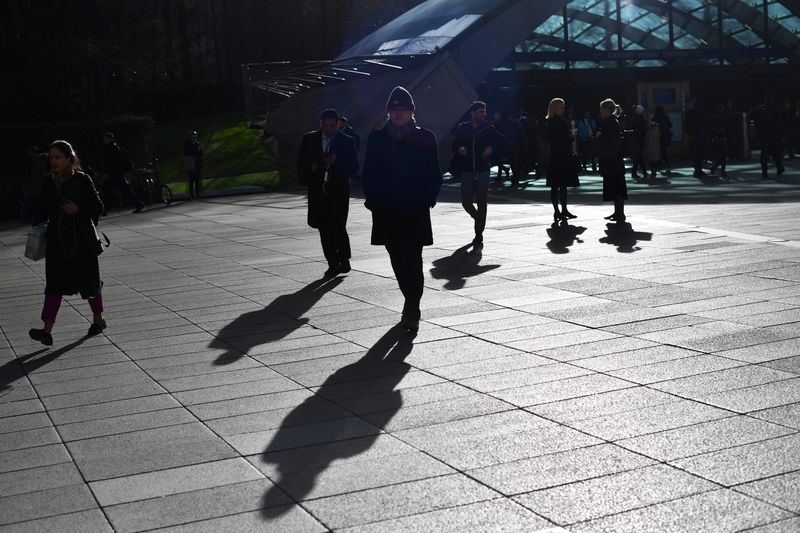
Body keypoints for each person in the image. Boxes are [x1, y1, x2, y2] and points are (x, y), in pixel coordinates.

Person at [361, 86, 442, 332]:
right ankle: (410, 300)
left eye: (403, 110)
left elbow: (434, 173)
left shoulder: (425, 137)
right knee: (396, 258)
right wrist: (372, 201)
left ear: (411, 112)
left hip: (414, 209)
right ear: (388, 112)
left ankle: (412, 308)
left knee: (413, 259)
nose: (399, 114)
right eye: (394, 110)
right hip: (386, 210)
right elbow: (369, 173)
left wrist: (427, 199)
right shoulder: (377, 138)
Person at [28, 140, 106, 346]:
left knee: (90, 284)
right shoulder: (48, 181)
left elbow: (99, 206)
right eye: (51, 157)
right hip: (57, 243)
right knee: (54, 286)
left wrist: (78, 208)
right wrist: (35, 231)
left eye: (58, 157)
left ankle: (98, 320)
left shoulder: (82, 179)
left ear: (69, 158)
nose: (53, 161)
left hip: (81, 242)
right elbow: (42, 209)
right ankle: (47, 330)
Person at [297, 108, 359, 277]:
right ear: (321, 124)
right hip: (318, 189)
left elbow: (354, 167)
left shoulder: (347, 141)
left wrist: (337, 161)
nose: (330, 129)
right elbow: (301, 162)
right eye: (326, 126)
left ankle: (344, 259)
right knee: (323, 227)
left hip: (338, 189)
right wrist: (313, 165)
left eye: (333, 126)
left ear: (338, 124)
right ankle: (332, 262)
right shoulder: (310, 139)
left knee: (339, 225)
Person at [450, 101, 505, 245]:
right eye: (480, 112)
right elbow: (453, 143)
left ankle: (478, 233)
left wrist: (492, 149)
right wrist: (459, 148)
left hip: (483, 171)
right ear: (472, 113)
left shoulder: (488, 128)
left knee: (482, 203)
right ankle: (478, 219)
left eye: (484, 112)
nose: (483, 114)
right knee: (466, 203)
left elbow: (503, 141)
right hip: (467, 171)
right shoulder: (463, 128)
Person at [545, 98, 579, 221]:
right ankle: (560, 210)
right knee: (560, 185)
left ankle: (559, 211)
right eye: (561, 107)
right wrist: (570, 138)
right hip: (561, 156)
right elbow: (561, 140)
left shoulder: (551, 123)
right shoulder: (559, 123)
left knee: (558, 185)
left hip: (557, 156)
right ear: (555, 108)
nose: (563, 110)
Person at [595, 98, 627, 222]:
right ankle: (618, 212)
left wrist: (599, 137)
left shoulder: (609, 122)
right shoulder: (613, 121)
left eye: (602, 108)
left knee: (615, 185)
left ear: (607, 109)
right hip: (615, 158)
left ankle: (619, 212)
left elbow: (608, 140)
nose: (600, 110)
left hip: (611, 159)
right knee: (618, 185)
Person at [101, 132, 144, 212]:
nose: (104, 140)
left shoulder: (112, 148)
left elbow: (112, 163)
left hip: (114, 174)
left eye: (106, 138)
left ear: (110, 139)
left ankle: (106, 207)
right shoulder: (114, 147)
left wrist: (107, 173)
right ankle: (138, 203)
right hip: (116, 174)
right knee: (122, 189)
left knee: (109, 190)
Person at [751, 93, 785, 178]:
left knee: (764, 154)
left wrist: (758, 134)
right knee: (776, 153)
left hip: (763, 135)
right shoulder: (775, 109)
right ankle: (779, 168)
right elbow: (779, 123)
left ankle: (764, 171)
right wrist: (782, 134)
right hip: (774, 135)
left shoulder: (759, 110)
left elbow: (756, 123)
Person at [685, 100, 711, 178]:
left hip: (692, 135)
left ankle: (696, 169)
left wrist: (689, 133)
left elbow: (687, 125)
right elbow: (708, 124)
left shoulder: (688, 113)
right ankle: (698, 170)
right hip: (701, 135)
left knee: (694, 152)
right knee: (701, 153)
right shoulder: (703, 113)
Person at [629, 105, 648, 180]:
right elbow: (643, 129)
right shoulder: (640, 118)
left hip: (636, 140)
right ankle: (638, 172)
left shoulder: (634, 118)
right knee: (639, 157)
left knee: (639, 157)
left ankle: (641, 172)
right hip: (639, 140)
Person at [183, 131, 203, 198]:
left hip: (197, 163)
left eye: (195, 136)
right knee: (192, 180)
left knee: (197, 180)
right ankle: (191, 194)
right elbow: (187, 153)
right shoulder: (187, 144)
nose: (195, 138)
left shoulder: (197, 143)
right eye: (193, 136)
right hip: (191, 163)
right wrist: (196, 150)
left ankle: (197, 194)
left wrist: (199, 151)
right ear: (190, 137)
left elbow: (201, 153)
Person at [652, 106, 672, 171]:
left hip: (657, 136)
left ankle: (659, 164)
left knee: (657, 150)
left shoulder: (654, 117)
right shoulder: (665, 116)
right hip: (664, 135)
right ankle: (667, 162)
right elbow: (670, 125)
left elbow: (652, 127)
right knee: (663, 150)